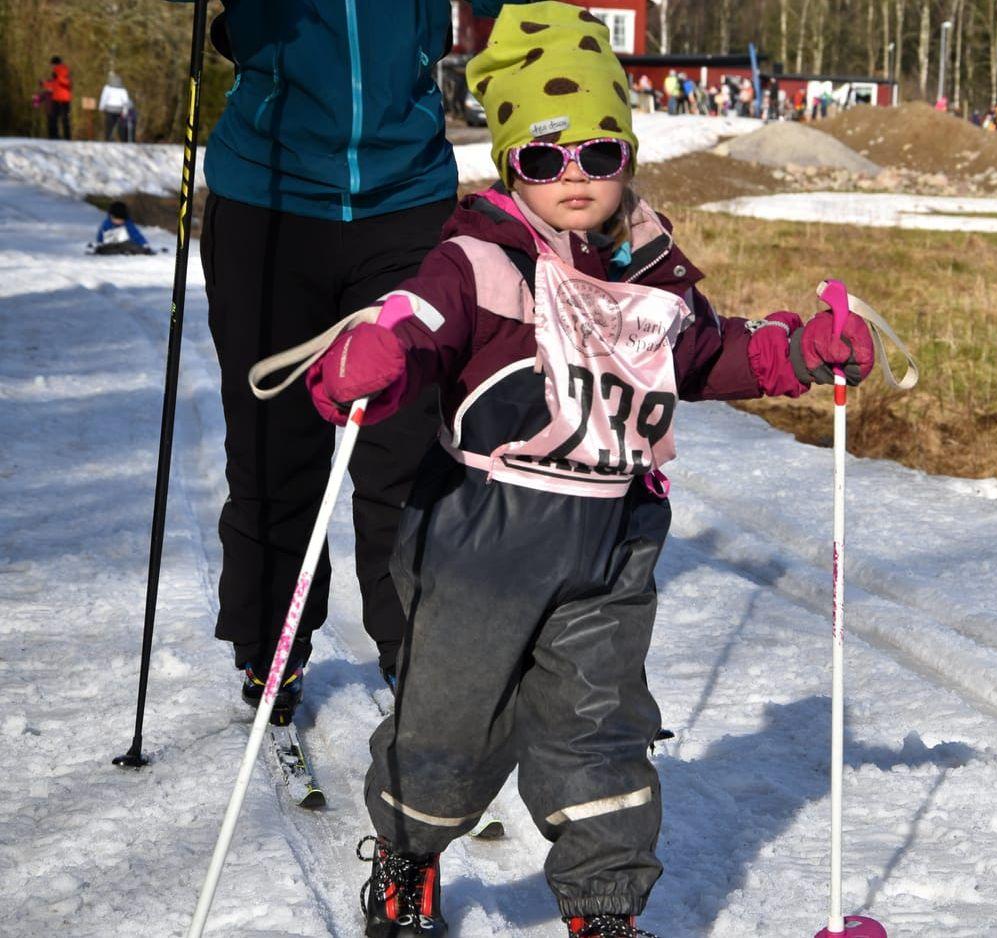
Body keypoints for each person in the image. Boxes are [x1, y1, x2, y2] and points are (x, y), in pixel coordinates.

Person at [299, 5, 881, 936]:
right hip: (481, 540)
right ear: (508, 165)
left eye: (598, 155)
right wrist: (374, 353)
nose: (573, 176)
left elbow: (701, 352)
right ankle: (410, 856)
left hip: (610, 543)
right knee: (448, 731)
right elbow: (414, 320)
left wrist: (799, 352)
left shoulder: (649, 274)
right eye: (542, 156)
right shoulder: (478, 259)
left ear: (626, 159)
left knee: (599, 731)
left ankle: (602, 906)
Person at [168, 0, 519, 726]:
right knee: (275, 442)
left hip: (407, 196)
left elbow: (509, 15)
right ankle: (272, 639)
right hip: (268, 197)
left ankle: (416, 644)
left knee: (409, 445)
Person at [43, 56, 71, 140]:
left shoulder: (64, 70)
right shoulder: (56, 72)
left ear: (55, 64)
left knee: (63, 118)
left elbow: (66, 82)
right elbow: (54, 84)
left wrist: (57, 77)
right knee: (54, 118)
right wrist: (44, 84)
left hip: (64, 98)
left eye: (52, 65)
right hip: (56, 97)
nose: (51, 67)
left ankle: (66, 137)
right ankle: (54, 136)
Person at [98, 72, 131, 142]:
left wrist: (101, 107)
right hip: (119, 109)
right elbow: (126, 101)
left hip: (109, 109)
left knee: (109, 126)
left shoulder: (107, 88)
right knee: (121, 127)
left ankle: (108, 139)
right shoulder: (123, 89)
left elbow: (104, 98)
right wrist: (125, 111)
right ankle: (123, 140)